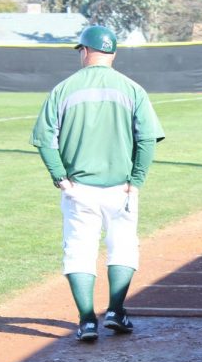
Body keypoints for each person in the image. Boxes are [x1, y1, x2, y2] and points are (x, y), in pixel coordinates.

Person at [30, 25, 165, 342]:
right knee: (123, 246)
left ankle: (87, 320)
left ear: (85, 51)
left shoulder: (63, 90)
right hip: (121, 188)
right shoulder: (132, 89)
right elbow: (147, 140)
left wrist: (60, 177)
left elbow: (45, 141)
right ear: (113, 53)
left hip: (78, 189)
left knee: (79, 250)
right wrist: (137, 180)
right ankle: (116, 310)